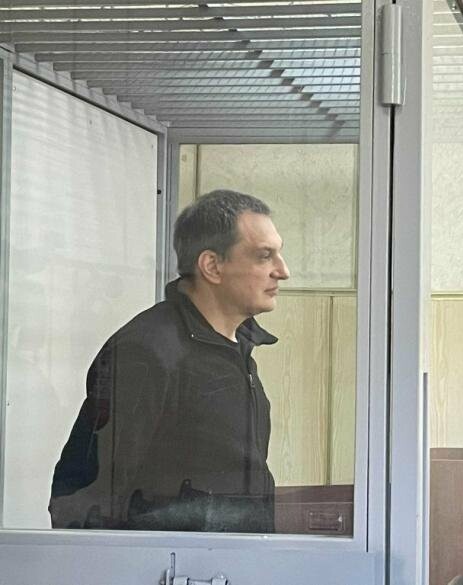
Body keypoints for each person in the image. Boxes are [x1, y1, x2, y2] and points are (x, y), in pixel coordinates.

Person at [49, 189, 290, 533]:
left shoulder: (238, 348)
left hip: (231, 559)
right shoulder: (147, 351)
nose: (282, 271)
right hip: (172, 562)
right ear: (212, 266)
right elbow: (85, 498)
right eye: (264, 256)